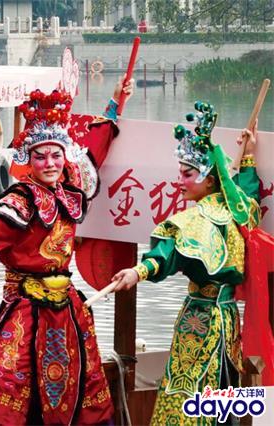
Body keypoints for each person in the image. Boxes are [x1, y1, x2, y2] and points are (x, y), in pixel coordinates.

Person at [0, 79, 133, 425]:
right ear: (29, 160)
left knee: (80, 381)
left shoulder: (71, 191)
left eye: (57, 155)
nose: (50, 163)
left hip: (67, 306)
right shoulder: (21, 200)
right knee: (5, 379)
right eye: (41, 157)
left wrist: (115, 105)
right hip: (25, 304)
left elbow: (93, 154)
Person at [110, 103, 272, 424]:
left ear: (210, 180)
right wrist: (250, 155)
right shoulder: (238, 211)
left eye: (187, 174)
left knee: (189, 393)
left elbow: (166, 255)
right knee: (223, 389)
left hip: (199, 319)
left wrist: (137, 271)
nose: (180, 181)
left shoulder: (192, 221)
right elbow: (248, 189)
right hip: (227, 319)